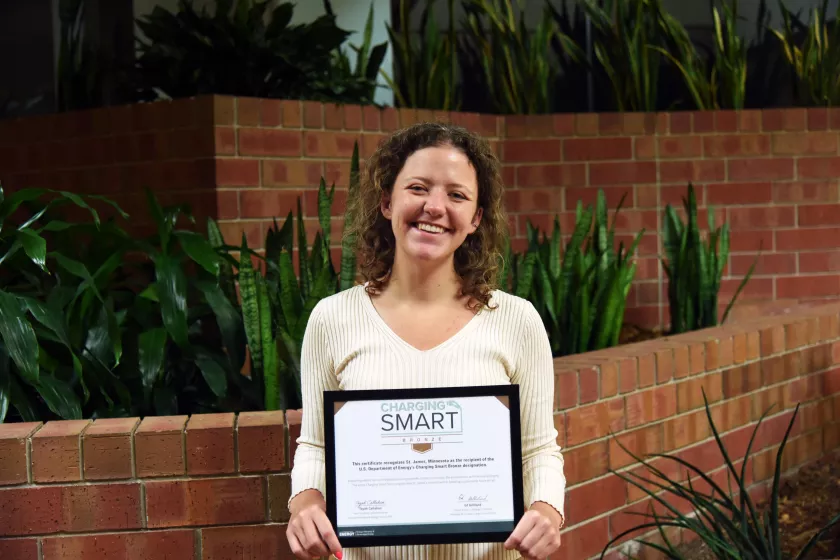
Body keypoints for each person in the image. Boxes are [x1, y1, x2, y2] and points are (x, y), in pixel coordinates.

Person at [286, 122, 567, 560]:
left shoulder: (516, 320)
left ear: (476, 218)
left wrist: (547, 512)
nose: (434, 207)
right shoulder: (333, 318)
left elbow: (538, 450)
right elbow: (317, 445)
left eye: (456, 195)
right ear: (386, 201)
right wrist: (305, 505)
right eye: (418, 187)